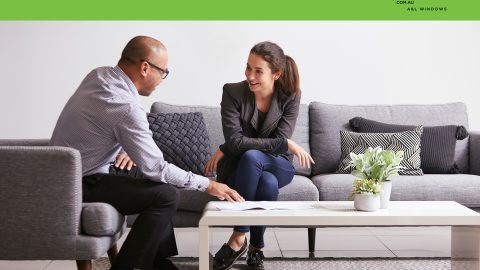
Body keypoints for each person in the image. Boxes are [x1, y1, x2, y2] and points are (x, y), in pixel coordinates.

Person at [49, 36, 244, 270]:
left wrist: (126, 147)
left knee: (147, 179)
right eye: (164, 72)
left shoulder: (100, 75)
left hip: (64, 177)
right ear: (144, 67)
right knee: (166, 195)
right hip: (80, 185)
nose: (162, 79)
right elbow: (157, 168)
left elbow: (100, 123)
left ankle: (158, 263)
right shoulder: (125, 106)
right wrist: (209, 185)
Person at [204, 41, 314, 270]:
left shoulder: (291, 96)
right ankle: (256, 249)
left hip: (278, 164)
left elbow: (273, 142)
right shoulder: (232, 92)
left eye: (258, 71)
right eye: (248, 68)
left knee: (255, 158)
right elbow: (238, 141)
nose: (250, 76)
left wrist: (232, 146)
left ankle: (238, 237)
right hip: (238, 168)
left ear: (276, 74)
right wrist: (284, 143)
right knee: (267, 182)